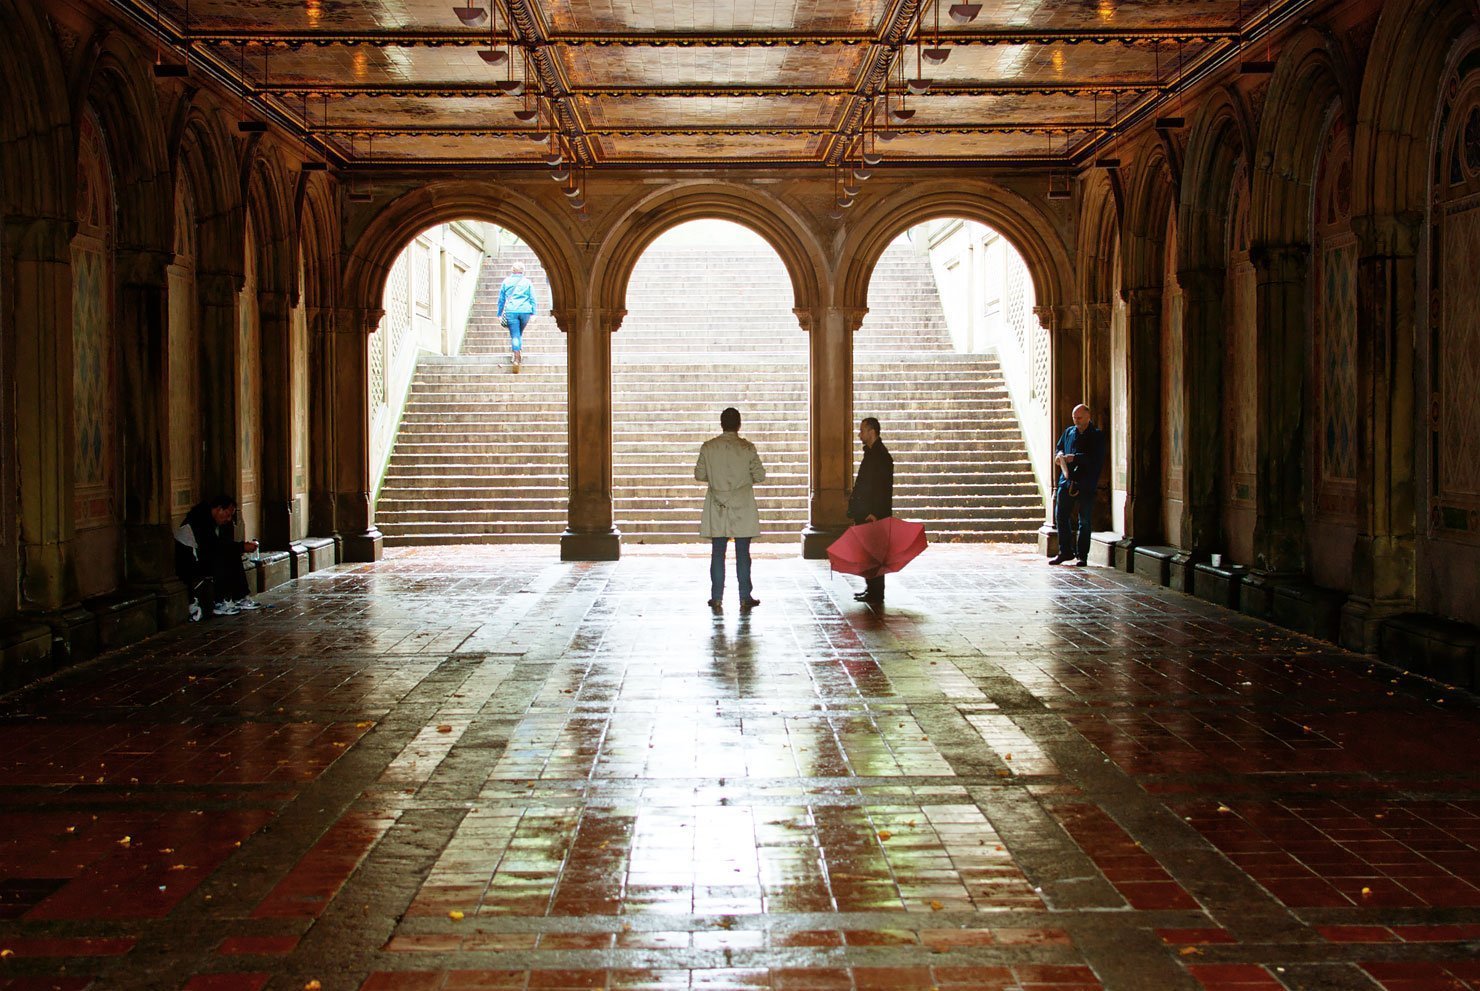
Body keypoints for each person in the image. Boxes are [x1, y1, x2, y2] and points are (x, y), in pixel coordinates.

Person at [695, 407, 766, 612]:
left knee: (718, 552)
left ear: (721, 423)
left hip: (717, 503)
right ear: (739, 424)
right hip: (742, 504)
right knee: (743, 553)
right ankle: (745, 596)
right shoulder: (747, 448)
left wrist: (717, 479)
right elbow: (760, 475)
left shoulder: (708, 447)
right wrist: (743, 480)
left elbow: (700, 474)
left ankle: (716, 597)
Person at [174, 495, 263, 617]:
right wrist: (241, 547)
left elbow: (220, 545)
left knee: (231, 554)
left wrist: (240, 547)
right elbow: (212, 548)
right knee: (223, 557)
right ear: (219, 509)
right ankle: (220, 601)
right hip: (191, 564)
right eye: (227, 514)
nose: (228, 519)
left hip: (202, 558)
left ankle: (240, 597)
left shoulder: (211, 522)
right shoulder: (199, 522)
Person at [1050, 403, 1106, 567]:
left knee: (1084, 521)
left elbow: (1096, 459)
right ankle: (1065, 551)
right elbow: (1059, 447)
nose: (1076, 421)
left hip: (1085, 483)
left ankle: (1082, 555)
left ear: (1088, 417)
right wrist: (1059, 455)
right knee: (1060, 516)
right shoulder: (1069, 432)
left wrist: (1075, 458)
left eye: (1079, 418)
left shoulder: (1096, 436)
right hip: (1066, 481)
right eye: (1074, 418)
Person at [848, 416, 893, 604]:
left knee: (874, 555)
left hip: (873, 515)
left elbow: (882, 488)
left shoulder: (881, 456)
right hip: (865, 512)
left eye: (862, 430)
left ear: (871, 431)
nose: (859, 434)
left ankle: (876, 592)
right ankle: (871, 589)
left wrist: (874, 512)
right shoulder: (872, 453)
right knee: (868, 553)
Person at [496, 262, 538, 373]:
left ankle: (516, 357)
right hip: (525, 311)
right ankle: (518, 352)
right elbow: (533, 298)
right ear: (523, 271)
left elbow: (501, 300)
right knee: (518, 334)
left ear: (512, 270)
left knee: (515, 335)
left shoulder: (506, 282)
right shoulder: (527, 282)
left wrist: (499, 314)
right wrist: (534, 313)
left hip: (511, 311)